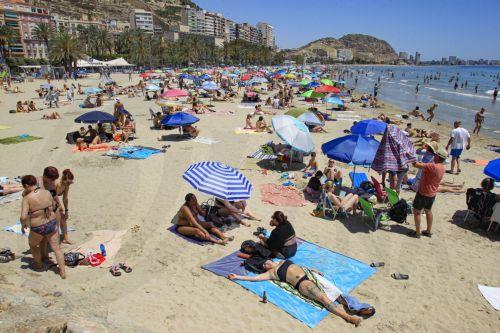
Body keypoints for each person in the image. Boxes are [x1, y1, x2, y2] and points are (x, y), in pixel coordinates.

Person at [228, 260, 374, 326]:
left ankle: (357, 308)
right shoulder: (271, 273)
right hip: (304, 284)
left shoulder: (283, 261)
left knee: (337, 294)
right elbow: (255, 278)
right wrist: (238, 277)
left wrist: (313, 270)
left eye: (266, 262)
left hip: (311, 275)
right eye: (264, 266)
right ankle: (349, 318)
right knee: (324, 299)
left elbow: (300, 266)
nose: (266, 264)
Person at [20, 175, 66, 279]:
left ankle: (38, 264)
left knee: (32, 245)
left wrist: (23, 225)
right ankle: (62, 271)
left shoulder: (27, 198)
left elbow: (23, 217)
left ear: (26, 185)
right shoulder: (47, 192)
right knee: (57, 249)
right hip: (51, 223)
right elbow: (54, 205)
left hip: (38, 227)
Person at [408, 147, 447, 238]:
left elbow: (415, 164)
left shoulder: (432, 166)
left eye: (436, 155)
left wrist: (410, 154)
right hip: (432, 194)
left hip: (423, 193)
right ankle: (428, 231)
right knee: (428, 211)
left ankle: (417, 233)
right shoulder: (442, 167)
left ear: (438, 156)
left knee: (417, 212)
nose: (434, 156)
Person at [55, 169, 74, 244]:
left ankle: (65, 238)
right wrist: (59, 205)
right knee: (55, 220)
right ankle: (53, 240)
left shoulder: (66, 186)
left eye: (70, 182)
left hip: (54, 201)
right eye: (68, 182)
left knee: (63, 218)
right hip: (47, 199)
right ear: (63, 179)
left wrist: (66, 211)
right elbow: (53, 195)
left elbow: (65, 198)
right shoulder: (56, 183)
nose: (69, 184)